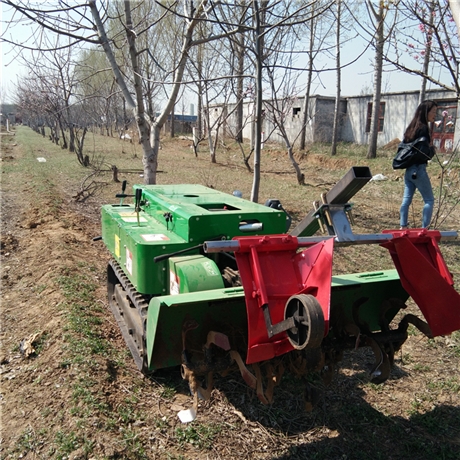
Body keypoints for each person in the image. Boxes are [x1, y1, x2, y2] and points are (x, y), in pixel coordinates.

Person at [399, 100, 437, 230]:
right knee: (429, 200)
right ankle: (425, 229)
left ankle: (403, 226)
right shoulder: (424, 129)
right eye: (433, 112)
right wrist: (432, 150)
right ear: (426, 112)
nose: (435, 115)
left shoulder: (411, 127)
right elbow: (423, 153)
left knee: (406, 200)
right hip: (419, 170)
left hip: (409, 170)